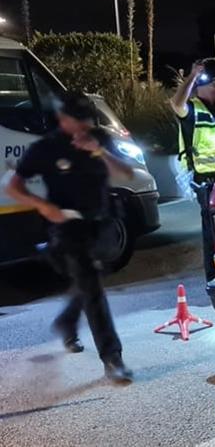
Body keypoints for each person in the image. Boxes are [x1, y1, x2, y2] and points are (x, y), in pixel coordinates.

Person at [4, 92, 134, 382]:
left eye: (87, 120)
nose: (85, 125)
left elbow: (126, 174)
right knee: (93, 288)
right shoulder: (46, 148)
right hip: (68, 227)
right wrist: (43, 206)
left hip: (101, 224)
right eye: (78, 120)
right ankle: (112, 359)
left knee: (92, 279)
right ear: (63, 119)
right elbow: (13, 187)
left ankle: (67, 320)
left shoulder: (98, 138)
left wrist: (98, 151)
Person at [170, 62, 215, 281]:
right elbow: (176, 103)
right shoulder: (192, 110)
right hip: (204, 180)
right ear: (202, 87)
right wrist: (192, 75)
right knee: (212, 231)